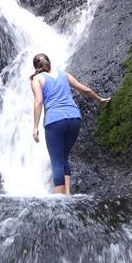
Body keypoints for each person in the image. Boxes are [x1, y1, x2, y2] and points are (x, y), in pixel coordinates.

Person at [29, 53, 110, 195]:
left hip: (55, 121)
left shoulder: (37, 79)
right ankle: (67, 195)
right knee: (64, 157)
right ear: (49, 62)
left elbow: (38, 102)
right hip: (74, 118)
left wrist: (35, 127)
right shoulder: (63, 74)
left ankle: (60, 201)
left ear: (36, 67)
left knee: (56, 161)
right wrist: (100, 99)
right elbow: (85, 89)